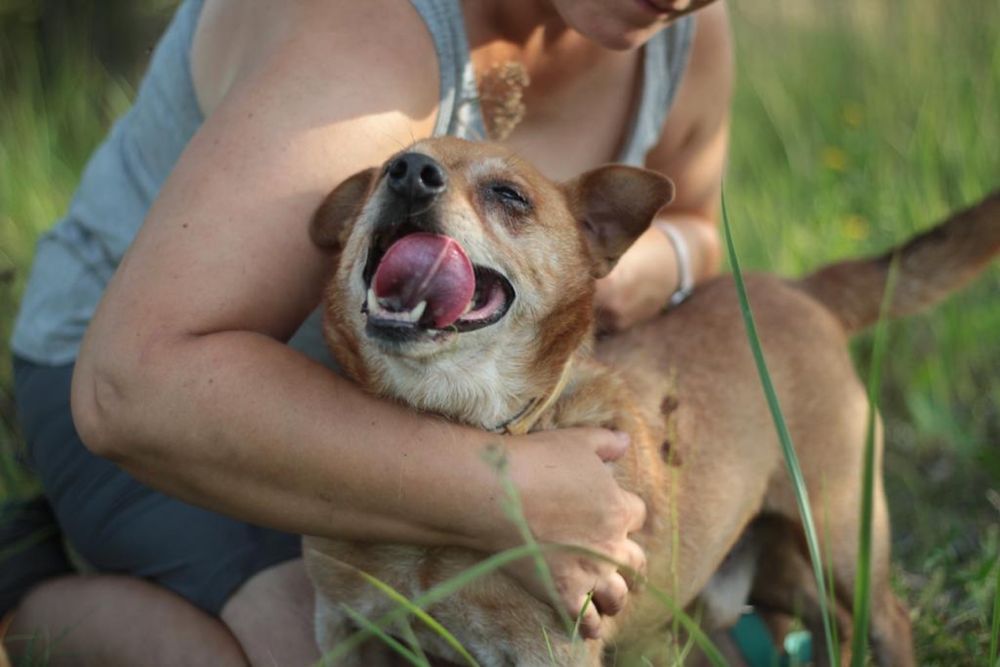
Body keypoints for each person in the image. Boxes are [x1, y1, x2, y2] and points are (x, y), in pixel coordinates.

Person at [2, 0, 731, 664]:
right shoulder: (366, 38)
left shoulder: (682, 32)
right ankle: (30, 589)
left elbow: (697, 218)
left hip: (400, 392)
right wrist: (521, 495)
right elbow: (129, 387)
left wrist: (652, 263)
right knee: (300, 643)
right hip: (160, 394)